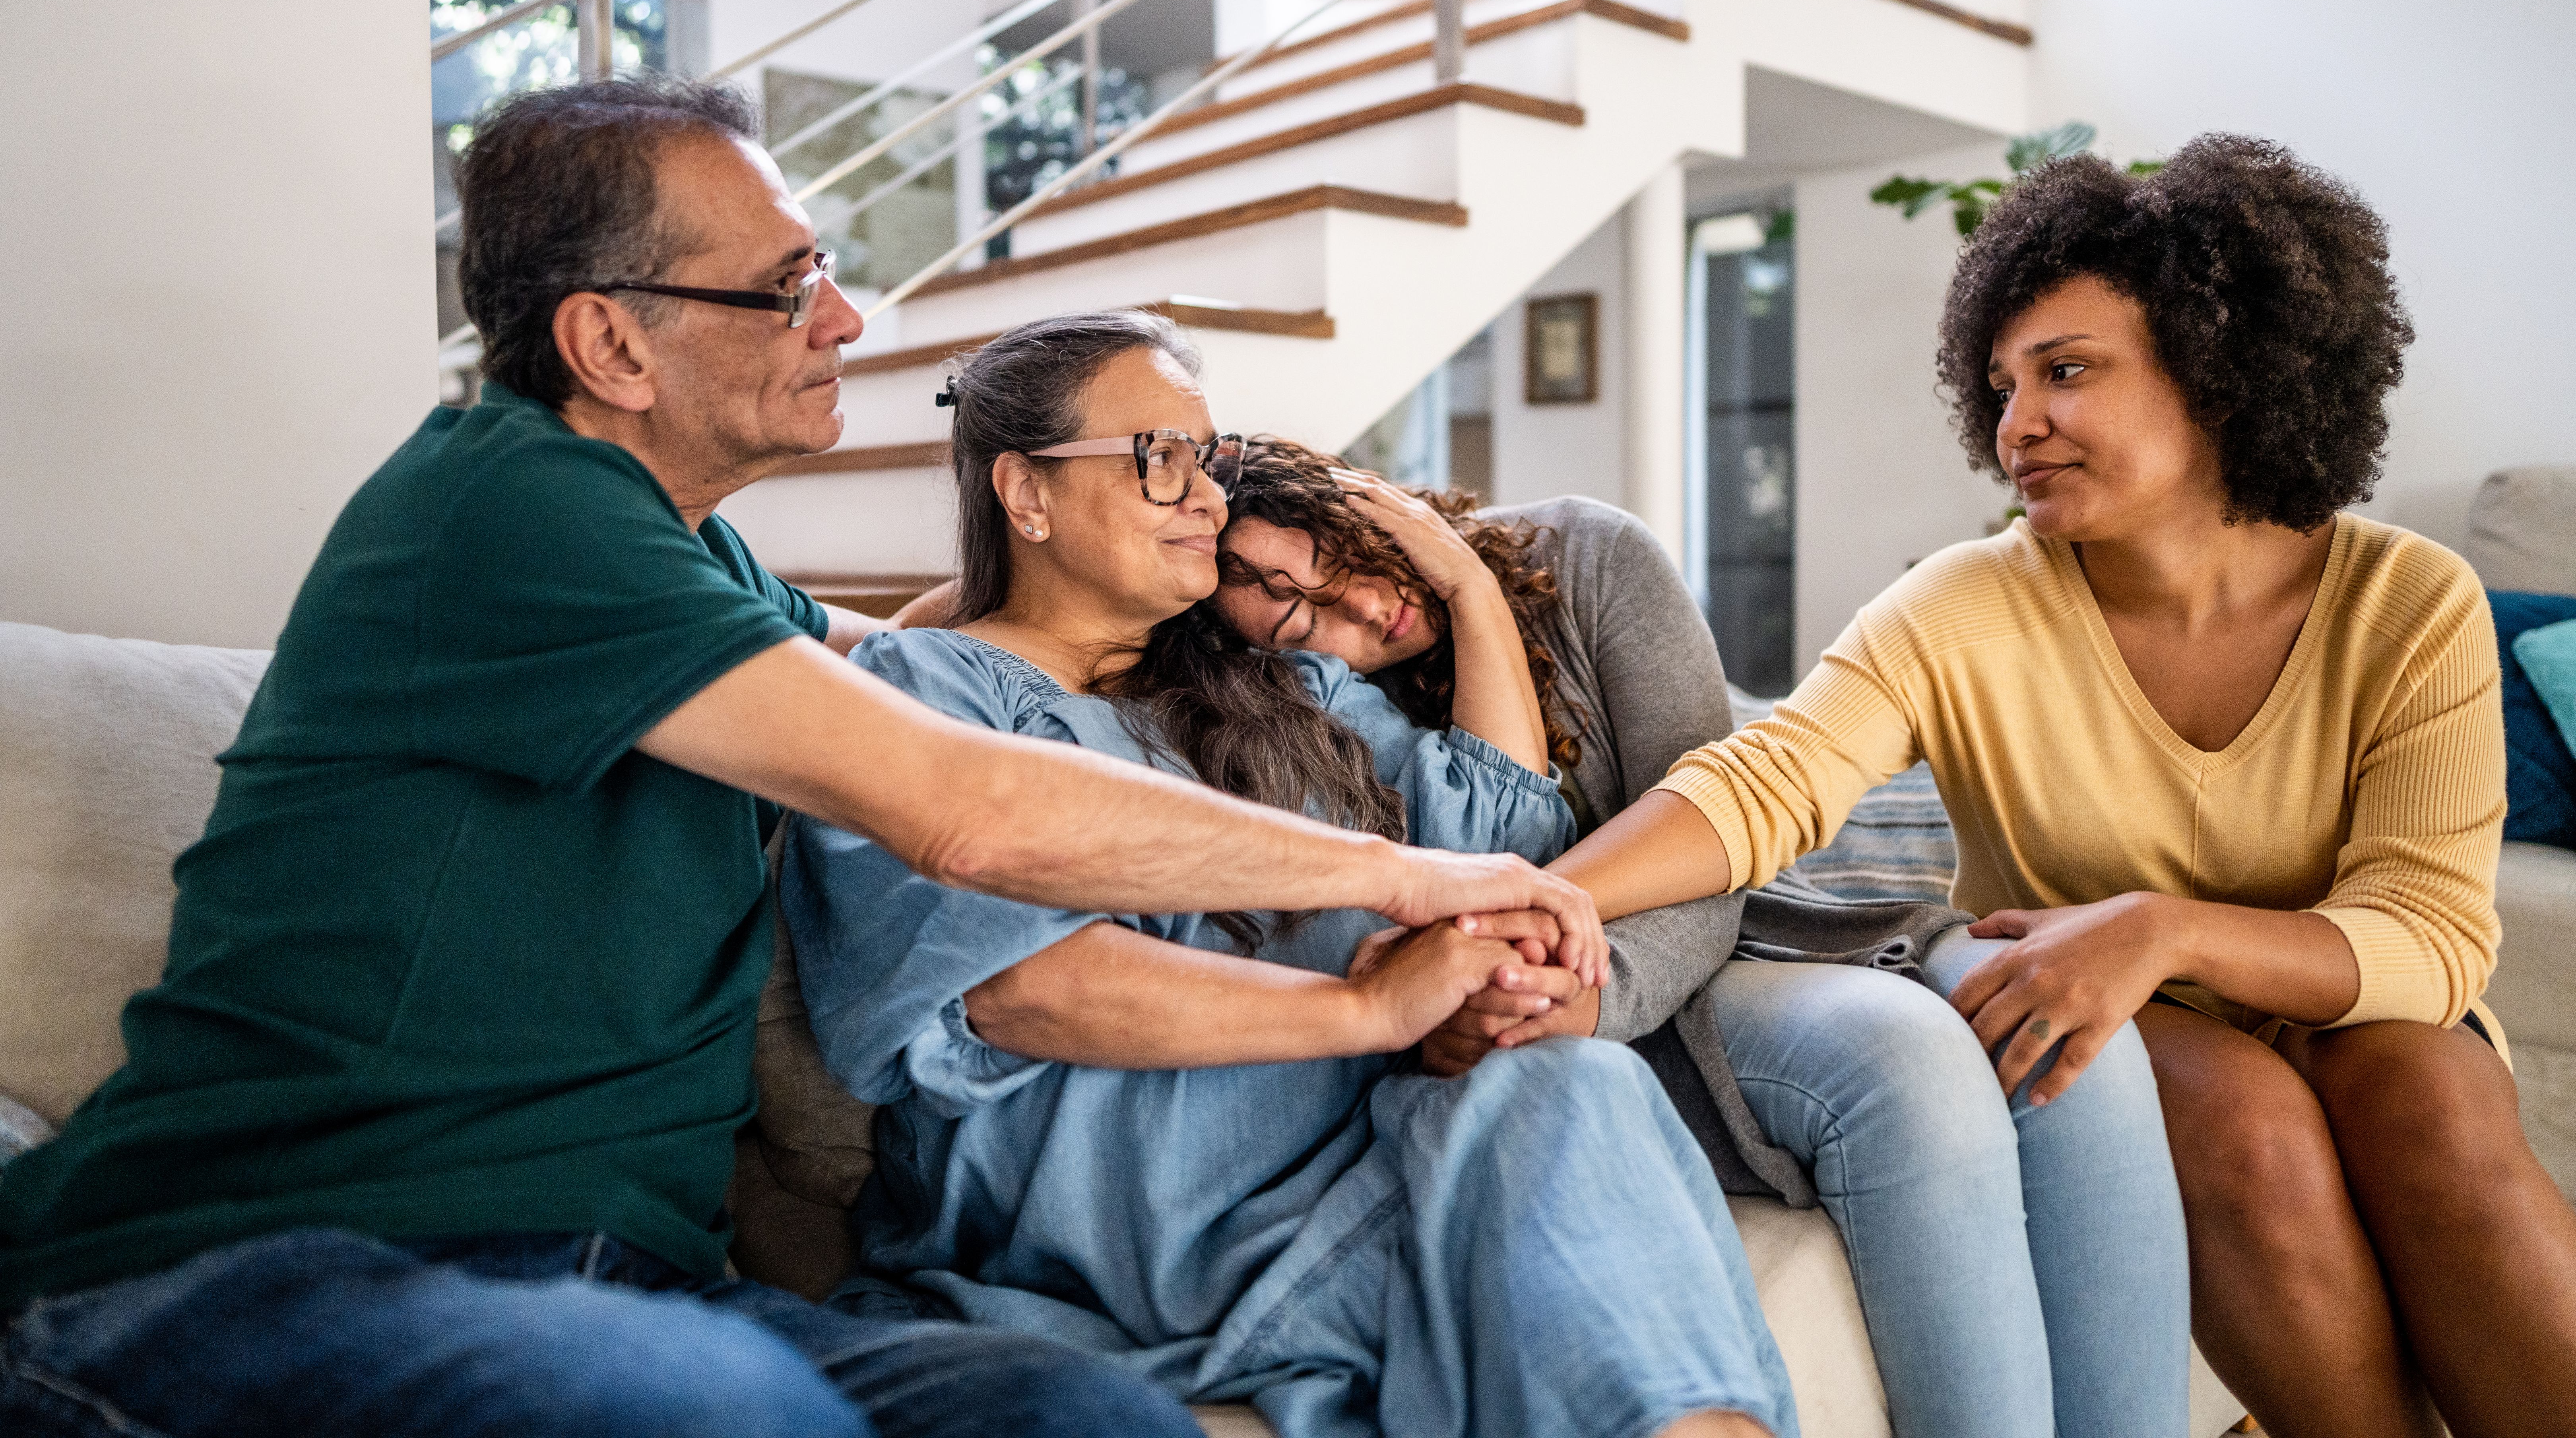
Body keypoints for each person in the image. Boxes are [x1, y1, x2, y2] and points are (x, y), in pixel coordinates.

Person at [0, 75, 1604, 1438]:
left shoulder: (694, 563)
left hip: (632, 1280)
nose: (845, 318)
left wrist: (1129, 564)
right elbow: (966, 806)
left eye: (824, 270)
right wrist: (1406, 884)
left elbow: (919, 659)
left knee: (1082, 1417)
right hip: (266, 1262)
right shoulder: (509, 514)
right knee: (714, 1409)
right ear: (612, 345)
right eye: (785, 288)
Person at [1523, 135, 2576, 1438]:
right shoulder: (1966, 604)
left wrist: (2165, 928)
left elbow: (2433, 938)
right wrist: (1539, 900)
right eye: (2003, 385)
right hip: (2134, 1022)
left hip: (2330, 994)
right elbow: (1771, 778)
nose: (2016, 425)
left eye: (2067, 372)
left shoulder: (2408, 600)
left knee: (2431, 1096)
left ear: (2219, 366)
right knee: (2241, 1119)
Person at [782, 310, 1799, 1438]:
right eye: (1161, 461)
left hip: (1368, 1194)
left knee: (1578, 1086)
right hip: (1131, 1241)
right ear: (1027, 493)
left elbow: (1499, 842)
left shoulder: (1285, 690)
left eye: (1208, 462)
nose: (1207, 501)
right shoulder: (926, 699)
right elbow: (1013, 989)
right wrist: (1365, 1008)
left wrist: (1467, 591)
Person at [1208, 443, 2190, 1438]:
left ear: (1372, 500)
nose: (1363, 608)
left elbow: (1720, 837)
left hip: (1750, 919)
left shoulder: (1588, 556)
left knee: (2067, 1025)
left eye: (1345, 555)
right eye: (1305, 622)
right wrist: (1573, 998)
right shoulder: (1318, 718)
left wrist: (1470, 585)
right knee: (1907, 1058)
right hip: (1617, 1011)